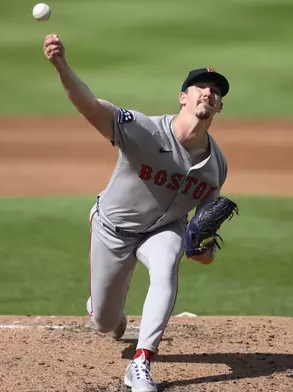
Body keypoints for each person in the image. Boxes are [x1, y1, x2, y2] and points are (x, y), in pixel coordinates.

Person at [43, 33, 230, 392]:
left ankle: (141, 363)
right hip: (112, 230)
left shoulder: (215, 168)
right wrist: (61, 65)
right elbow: (91, 106)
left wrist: (202, 248)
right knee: (105, 322)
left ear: (219, 106)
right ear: (183, 97)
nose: (208, 92)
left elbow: (203, 253)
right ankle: (105, 308)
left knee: (167, 265)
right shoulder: (143, 130)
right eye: (200, 87)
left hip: (163, 231)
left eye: (216, 91)